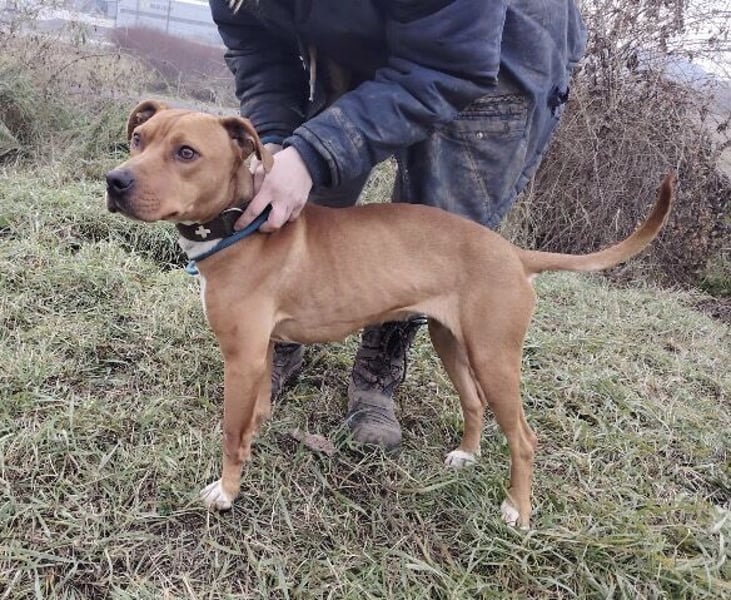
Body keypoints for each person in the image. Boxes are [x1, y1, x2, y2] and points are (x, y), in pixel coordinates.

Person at [208, 0, 587, 450]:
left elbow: (456, 62)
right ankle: (283, 327)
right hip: (352, 32)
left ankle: (378, 367)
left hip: (489, 47)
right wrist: (277, 141)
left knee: (443, 235)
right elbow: (258, 50)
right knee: (307, 196)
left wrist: (311, 156)